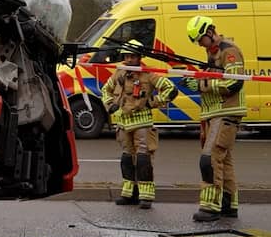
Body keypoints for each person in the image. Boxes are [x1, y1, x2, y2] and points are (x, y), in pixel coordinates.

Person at [184, 15, 247, 222]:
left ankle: (210, 207)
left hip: (226, 112)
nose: (200, 44)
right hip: (215, 113)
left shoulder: (229, 51)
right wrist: (196, 79)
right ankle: (228, 205)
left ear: (210, 32)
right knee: (223, 162)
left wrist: (201, 85)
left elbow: (233, 83)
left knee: (209, 159)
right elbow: (214, 80)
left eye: (200, 39)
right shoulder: (212, 54)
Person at [101, 40, 176, 209]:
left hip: (143, 124)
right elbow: (105, 90)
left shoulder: (148, 74)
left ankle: (146, 196)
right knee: (127, 159)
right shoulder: (119, 73)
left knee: (143, 159)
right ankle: (129, 194)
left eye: (133, 56)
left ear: (139, 57)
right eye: (126, 56)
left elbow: (171, 89)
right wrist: (110, 105)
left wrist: (152, 102)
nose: (129, 59)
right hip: (123, 124)